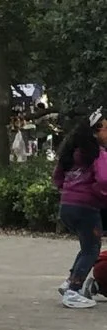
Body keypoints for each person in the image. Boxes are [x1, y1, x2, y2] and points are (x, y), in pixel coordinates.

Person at [56, 114, 107, 307]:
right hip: (87, 208)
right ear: (96, 132)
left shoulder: (71, 153)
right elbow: (104, 179)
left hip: (67, 206)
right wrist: (100, 194)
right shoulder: (98, 154)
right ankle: (73, 291)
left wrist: (68, 191)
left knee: (87, 247)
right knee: (92, 250)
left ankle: (70, 281)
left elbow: (57, 178)